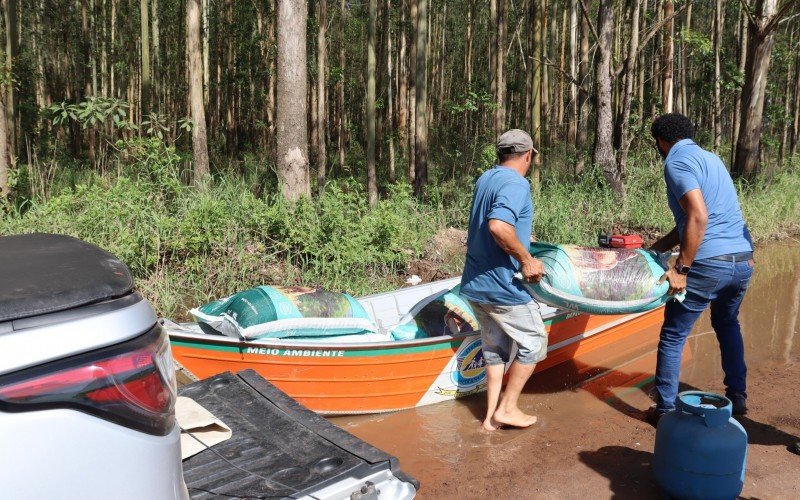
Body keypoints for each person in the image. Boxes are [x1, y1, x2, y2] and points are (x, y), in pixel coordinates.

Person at [647, 113, 755, 425]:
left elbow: (698, 217)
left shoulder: (675, 162)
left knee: (673, 334)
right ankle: (737, 395)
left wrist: (681, 267)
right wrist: (655, 249)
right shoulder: (712, 159)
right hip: (742, 260)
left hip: (707, 265)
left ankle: (665, 409)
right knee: (727, 324)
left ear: (662, 141)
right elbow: (690, 223)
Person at [460, 129, 547, 432]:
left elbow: (493, 224)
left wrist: (522, 240)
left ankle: (489, 418)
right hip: (502, 286)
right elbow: (498, 226)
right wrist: (527, 259)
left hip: (475, 284)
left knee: (494, 349)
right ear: (527, 156)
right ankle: (507, 409)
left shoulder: (487, 177)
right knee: (534, 343)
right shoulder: (516, 183)